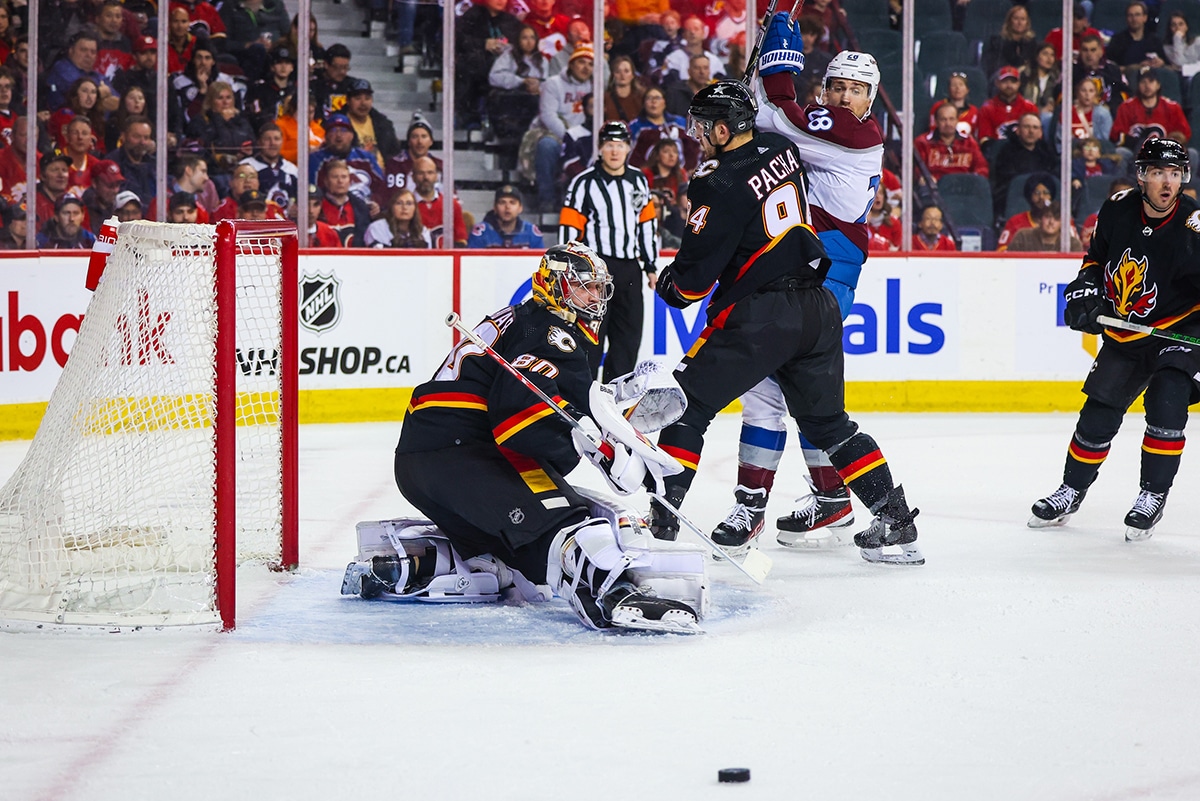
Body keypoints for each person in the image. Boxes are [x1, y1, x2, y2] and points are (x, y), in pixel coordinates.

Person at [358, 241, 707, 632]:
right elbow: (515, 418)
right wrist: (588, 443)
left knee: (517, 562)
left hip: (423, 461)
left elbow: (544, 397)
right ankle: (610, 591)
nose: (594, 296)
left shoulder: (525, 321)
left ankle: (430, 564)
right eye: (584, 286)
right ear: (554, 283)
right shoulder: (551, 330)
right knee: (567, 515)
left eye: (598, 287)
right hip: (464, 453)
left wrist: (607, 405)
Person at [649, 80, 923, 566]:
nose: (693, 134)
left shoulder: (717, 183)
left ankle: (657, 525)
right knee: (831, 426)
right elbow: (756, 163)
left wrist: (667, 282)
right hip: (817, 308)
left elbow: (691, 286)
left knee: (686, 409)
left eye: (699, 126)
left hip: (762, 315)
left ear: (720, 127)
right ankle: (897, 523)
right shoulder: (783, 148)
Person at [723, 36, 895, 548]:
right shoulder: (829, 131)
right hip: (801, 272)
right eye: (836, 87)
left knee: (767, 394)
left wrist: (779, 51)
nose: (843, 97)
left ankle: (753, 505)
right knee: (801, 394)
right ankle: (831, 497)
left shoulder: (854, 135)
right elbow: (765, 120)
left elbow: (777, 113)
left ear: (871, 100)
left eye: (855, 90)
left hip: (823, 276)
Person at [1030, 139, 1200, 541]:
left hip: (1179, 328)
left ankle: (1151, 496)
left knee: (1167, 401)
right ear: (1142, 175)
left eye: (1174, 174)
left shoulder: (1195, 223)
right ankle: (1071, 490)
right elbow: (1094, 259)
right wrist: (1086, 290)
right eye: (1158, 172)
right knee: (1098, 413)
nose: (1167, 183)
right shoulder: (1118, 207)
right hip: (1127, 330)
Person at [558, 120, 658, 381]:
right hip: (594, 273)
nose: (615, 151)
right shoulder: (584, 183)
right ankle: (585, 396)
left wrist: (650, 266)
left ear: (628, 148)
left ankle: (614, 399)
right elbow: (570, 226)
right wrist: (569, 268)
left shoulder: (638, 181)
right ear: (600, 148)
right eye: (609, 145)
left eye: (620, 145)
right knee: (591, 338)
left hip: (629, 270)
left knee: (628, 338)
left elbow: (646, 224)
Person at [533, 43, 593, 211]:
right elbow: (548, 115)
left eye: (590, 64)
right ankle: (547, 198)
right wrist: (570, 137)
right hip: (557, 134)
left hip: (584, 136)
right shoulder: (553, 83)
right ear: (571, 64)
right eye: (581, 62)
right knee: (547, 146)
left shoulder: (595, 86)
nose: (586, 67)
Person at [992, 113, 1058, 229]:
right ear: (1018, 130)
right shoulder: (1006, 152)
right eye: (1027, 127)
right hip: (1017, 200)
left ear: (1040, 132)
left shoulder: (1047, 151)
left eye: (1035, 127)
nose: (1031, 131)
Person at [1110, 67, 1190, 153]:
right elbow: (1116, 135)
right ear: (1138, 85)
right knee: (1121, 152)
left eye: (1151, 81)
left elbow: (1184, 133)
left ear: (1158, 85)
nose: (1147, 86)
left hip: (1165, 152)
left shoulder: (1172, 107)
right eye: (1143, 82)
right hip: (1135, 151)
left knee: (1192, 154)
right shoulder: (1126, 107)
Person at [915, 102, 989, 185]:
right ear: (936, 121)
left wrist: (975, 179)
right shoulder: (923, 142)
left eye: (952, 119)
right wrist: (925, 178)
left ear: (957, 120)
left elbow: (982, 167)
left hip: (964, 187)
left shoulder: (969, 142)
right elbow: (917, 170)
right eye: (943, 119)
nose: (948, 124)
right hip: (936, 189)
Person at [628, 86, 699, 170]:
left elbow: (694, 147)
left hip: (681, 174)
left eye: (657, 98)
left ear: (664, 102)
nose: (653, 102)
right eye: (649, 98)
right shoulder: (634, 126)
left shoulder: (679, 122)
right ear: (644, 103)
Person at [976, 66, 1040, 149]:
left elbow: (1037, 137)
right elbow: (984, 140)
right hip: (997, 154)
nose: (1009, 85)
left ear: (1018, 84)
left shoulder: (1030, 107)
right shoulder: (987, 108)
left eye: (1013, 82)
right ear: (997, 83)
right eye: (1005, 81)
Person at [240, 122, 298, 214]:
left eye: (276, 139)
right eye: (267, 139)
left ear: (282, 141)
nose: (272, 143)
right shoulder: (246, 166)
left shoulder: (292, 170)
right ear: (259, 142)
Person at [412, 155, 467, 246]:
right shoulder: (405, 206)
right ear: (413, 176)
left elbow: (461, 241)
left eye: (430, 173)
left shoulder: (452, 205)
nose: (426, 177)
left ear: (437, 176)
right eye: (421, 173)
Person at [468, 184, 544, 248]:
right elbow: (472, 262)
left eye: (512, 203)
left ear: (520, 208)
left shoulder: (531, 232)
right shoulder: (481, 232)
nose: (507, 207)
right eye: (502, 202)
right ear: (495, 208)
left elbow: (540, 262)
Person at [318, 158, 372, 247]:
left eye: (344, 177)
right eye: (335, 177)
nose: (340, 181)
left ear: (349, 181)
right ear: (326, 181)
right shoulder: (316, 206)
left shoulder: (361, 208)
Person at [105, 115, 156, 207]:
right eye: (137, 136)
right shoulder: (112, 163)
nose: (142, 142)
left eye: (146, 137)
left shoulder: (154, 164)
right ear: (123, 136)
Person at [998, 172, 1058, 250]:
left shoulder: (1065, 222)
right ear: (1029, 196)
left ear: (1051, 197)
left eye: (1046, 193)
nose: (1041, 197)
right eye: (1037, 193)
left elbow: (1076, 251)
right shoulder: (1015, 222)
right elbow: (1002, 251)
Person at [982, 5, 1039, 85]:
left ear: (1027, 22)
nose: (1019, 23)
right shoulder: (998, 41)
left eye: (1023, 19)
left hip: (1025, 81)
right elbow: (994, 67)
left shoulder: (1031, 43)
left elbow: (1033, 67)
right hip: (1003, 79)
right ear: (1009, 21)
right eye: (1016, 19)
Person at [1105, 1, 1167, 69]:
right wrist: (1135, 68)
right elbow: (1110, 66)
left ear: (1145, 17)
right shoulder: (1117, 40)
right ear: (1126, 18)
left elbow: (1165, 63)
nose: (1134, 19)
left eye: (1137, 15)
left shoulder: (1155, 40)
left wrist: (1161, 63)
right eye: (1130, 15)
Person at [365, 188, 431, 248]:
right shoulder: (377, 228)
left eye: (409, 203)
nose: (404, 208)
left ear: (415, 208)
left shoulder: (423, 232)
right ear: (392, 207)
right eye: (399, 203)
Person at [1007, 201, 1081, 252]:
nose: (1051, 222)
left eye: (1057, 219)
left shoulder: (1072, 244)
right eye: (1048, 217)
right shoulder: (1023, 237)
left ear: (1062, 222)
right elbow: (1010, 264)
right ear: (1040, 219)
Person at [928, 70, 979, 141]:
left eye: (961, 84)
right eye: (954, 85)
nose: (957, 88)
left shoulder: (974, 111)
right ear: (948, 88)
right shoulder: (938, 107)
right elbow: (932, 132)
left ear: (967, 89)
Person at [1163, 11, 1200, 80]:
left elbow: (1181, 68)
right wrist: (1177, 39)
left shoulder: (1197, 41)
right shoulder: (1167, 48)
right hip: (1181, 79)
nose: (1177, 28)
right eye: (1174, 25)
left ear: (1186, 27)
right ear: (1170, 28)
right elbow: (1179, 63)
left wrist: (1184, 68)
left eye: (1181, 24)